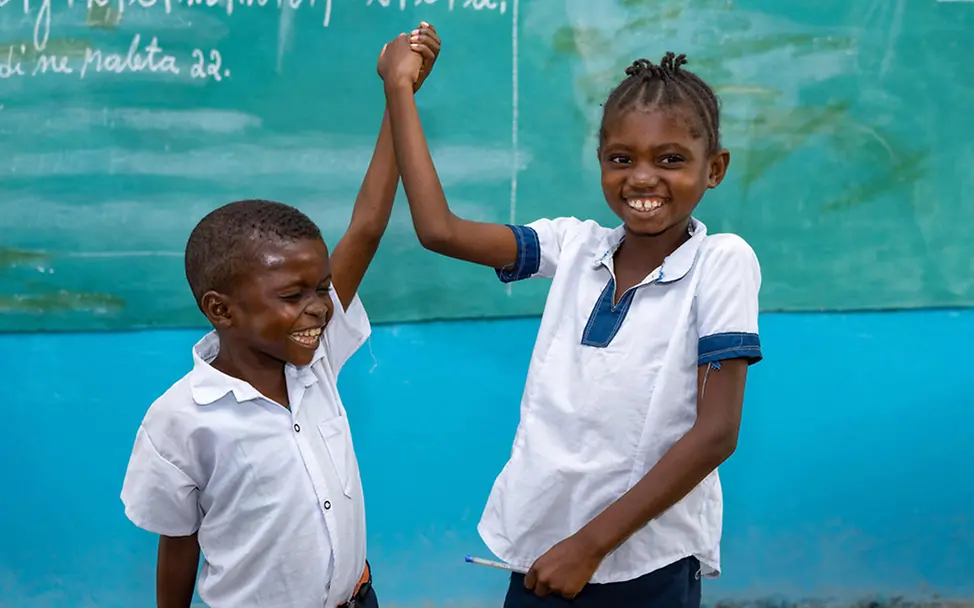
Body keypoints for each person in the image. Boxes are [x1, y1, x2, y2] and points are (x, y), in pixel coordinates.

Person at [378, 38, 763, 607]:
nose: (642, 178)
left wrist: (589, 546)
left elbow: (717, 433)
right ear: (601, 160)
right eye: (621, 159)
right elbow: (440, 230)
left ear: (715, 169)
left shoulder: (722, 261)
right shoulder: (575, 246)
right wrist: (399, 89)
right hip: (544, 550)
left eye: (671, 159)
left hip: (644, 562)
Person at [119, 24, 441, 608]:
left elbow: (367, 226)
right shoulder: (180, 420)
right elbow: (178, 545)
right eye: (293, 295)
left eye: (321, 288)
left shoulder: (316, 360)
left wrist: (399, 92)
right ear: (221, 310)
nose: (319, 306)